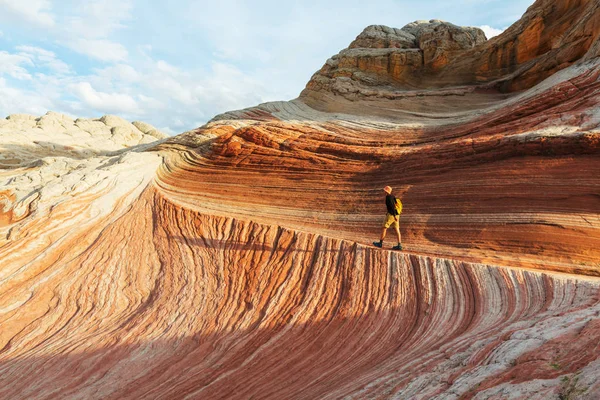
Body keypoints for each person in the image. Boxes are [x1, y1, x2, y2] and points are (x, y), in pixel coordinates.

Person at [373, 186, 402, 250]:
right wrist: (395, 216)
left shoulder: (388, 197)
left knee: (384, 227)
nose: (384, 191)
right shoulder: (393, 196)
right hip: (397, 214)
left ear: (386, 191)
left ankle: (380, 243)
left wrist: (394, 216)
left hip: (392, 214)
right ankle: (399, 245)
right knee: (397, 229)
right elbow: (395, 206)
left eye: (385, 190)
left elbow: (391, 207)